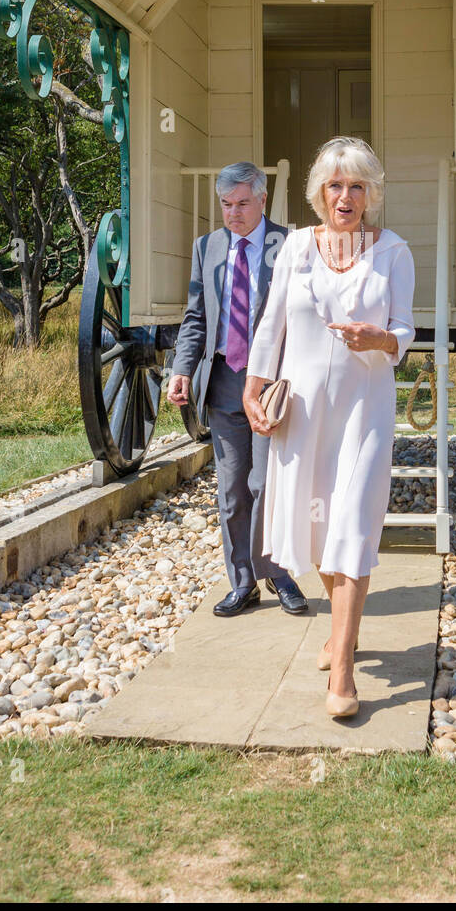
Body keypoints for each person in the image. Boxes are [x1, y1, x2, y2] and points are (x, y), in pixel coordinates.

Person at [243, 137, 416, 720]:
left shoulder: (393, 251)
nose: (346, 196)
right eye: (335, 186)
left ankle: (341, 665)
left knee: (352, 527)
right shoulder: (294, 246)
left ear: (371, 194)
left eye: (358, 186)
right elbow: (270, 325)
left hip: (366, 410)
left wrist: (382, 340)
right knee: (315, 533)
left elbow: (407, 331)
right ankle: (344, 628)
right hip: (305, 412)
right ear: (319, 194)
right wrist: (252, 385)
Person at [166, 161, 308, 618]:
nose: (233, 213)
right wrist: (182, 368)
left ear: (263, 200)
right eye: (226, 205)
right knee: (232, 492)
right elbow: (196, 317)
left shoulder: (289, 244)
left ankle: (279, 576)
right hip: (224, 380)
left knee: (265, 484)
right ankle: (242, 583)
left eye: (242, 203)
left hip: (271, 385)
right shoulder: (206, 248)